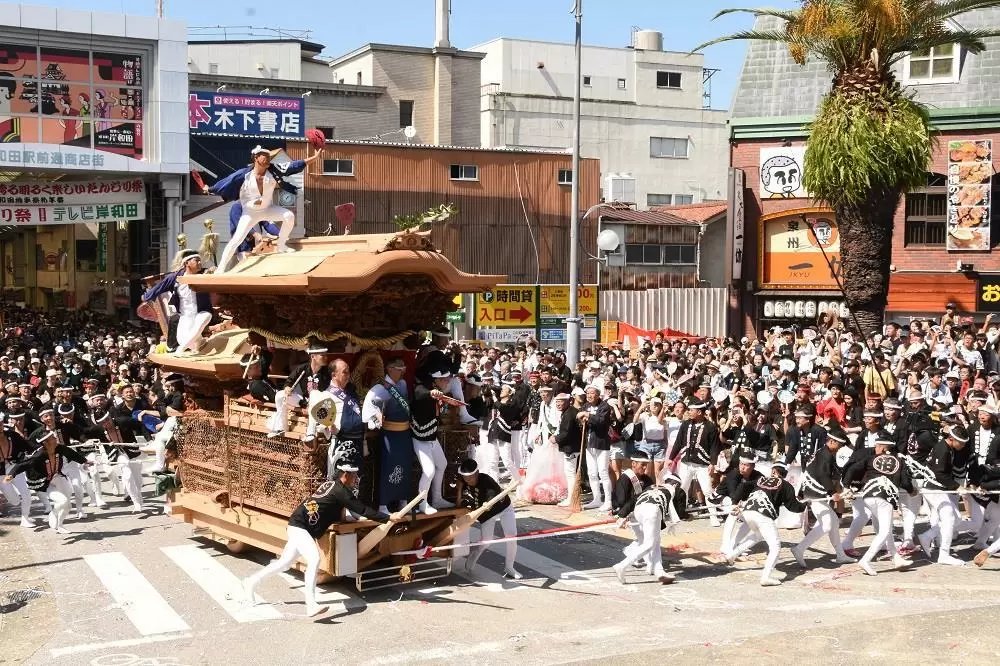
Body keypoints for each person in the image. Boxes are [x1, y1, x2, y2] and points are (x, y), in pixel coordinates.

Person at [242, 462, 396, 617]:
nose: (356, 479)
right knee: (314, 559)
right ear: (345, 475)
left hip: (298, 525)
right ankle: (311, 605)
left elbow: (335, 509)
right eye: (354, 476)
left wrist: (352, 519)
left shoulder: (331, 485)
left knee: (284, 563)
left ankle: (250, 582)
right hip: (300, 527)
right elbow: (362, 509)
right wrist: (388, 518)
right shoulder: (341, 491)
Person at [204, 144, 323, 273]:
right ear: (256, 158)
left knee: (289, 216)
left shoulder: (274, 170)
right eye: (264, 156)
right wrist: (209, 189)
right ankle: (220, 269)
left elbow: (294, 165)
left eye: (268, 156)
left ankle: (281, 245)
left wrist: (315, 157)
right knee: (236, 239)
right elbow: (225, 182)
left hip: (267, 209)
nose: (268, 158)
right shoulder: (243, 175)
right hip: (249, 213)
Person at [720, 462, 806, 586]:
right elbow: (793, 506)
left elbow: (743, 486)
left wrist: (735, 502)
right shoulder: (786, 486)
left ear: (774, 471)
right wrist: (804, 505)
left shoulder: (761, 480)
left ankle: (731, 556)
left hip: (748, 512)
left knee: (758, 535)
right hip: (763, 515)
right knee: (775, 546)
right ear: (784, 474)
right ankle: (766, 577)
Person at [841, 432, 914, 576]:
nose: (876, 448)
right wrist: (912, 491)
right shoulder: (899, 461)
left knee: (886, 529)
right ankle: (865, 560)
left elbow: (853, 469)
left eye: (878, 446)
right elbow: (905, 482)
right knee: (884, 531)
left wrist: (846, 486)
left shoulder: (871, 459)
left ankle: (896, 558)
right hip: (884, 498)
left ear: (885, 448)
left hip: (868, 496)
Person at [4, 426, 90, 534]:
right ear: (45, 443)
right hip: (45, 483)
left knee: (67, 505)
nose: (55, 438)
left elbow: (71, 454)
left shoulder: (60, 448)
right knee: (62, 501)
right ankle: (58, 524)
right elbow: (23, 465)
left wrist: (85, 461)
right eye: (52, 438)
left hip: (57, 477)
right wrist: (11, 474)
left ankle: (55, 517)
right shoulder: (39, 456)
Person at [791, 426, 856, 566]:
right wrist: (833, 493)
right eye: (839, 445)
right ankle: (799, 548)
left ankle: (840, 555)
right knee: (826, 525)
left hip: (813, 491)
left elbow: (831, 471)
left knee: (834, 522)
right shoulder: (825, 455)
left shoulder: (823, 452)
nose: (839, 448)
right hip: (814, 494)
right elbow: (822, 475)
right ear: (832, 441)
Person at [612, 470, 687, 585]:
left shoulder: (651, 487)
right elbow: (680, 513)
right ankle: (622, 566)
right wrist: (687, 515)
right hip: (652, 510)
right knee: (649, 544)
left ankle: (659, 571)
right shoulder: (677, 490)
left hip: (638, 510)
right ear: (676, 484)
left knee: (655, 540)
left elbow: (634, 499)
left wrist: (621, 515)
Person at [362, 357, 413, 513]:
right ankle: (383, 504)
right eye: (399, 369)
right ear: (389, 369)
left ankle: (403, 501)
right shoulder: (380, 388)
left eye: (404, 369)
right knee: (388, 467)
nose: (402, 372)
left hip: (405, 434)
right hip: (389, 435)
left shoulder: (403, 385)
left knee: (405, 465)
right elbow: (368, 409)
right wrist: (375, 419)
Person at [457, 458, 522, 580]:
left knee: (512, 537)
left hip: (503, 508)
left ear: (477, 473)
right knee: (486, 542)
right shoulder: (463, 481)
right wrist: (460, 490)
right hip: (486, 515)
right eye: (466, 478)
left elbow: (492, 497)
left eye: (471, 477)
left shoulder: (487, 481)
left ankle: (509, 567)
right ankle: (473, 555)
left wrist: (488, 504)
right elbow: (459, 496)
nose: (468, 480)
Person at [141, 250, 213, 354]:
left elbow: (214, 272)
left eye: (200, 260)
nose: (199, 263)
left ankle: (180, 349)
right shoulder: (175, 277)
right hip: (185, 314)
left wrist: (213, 271)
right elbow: (159, 287)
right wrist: (146, 297)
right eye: (196, 260)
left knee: (199, 324)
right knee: (182, 339)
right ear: (187, 263)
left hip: (202, 311)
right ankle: (200, 342)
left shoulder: (204, 274)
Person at [917, 425, 969, 567]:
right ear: (951, 439)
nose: (963, 445)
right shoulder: (943, 449)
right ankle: (944, 555)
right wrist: (958, 487)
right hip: (932, 488)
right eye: (961, 442)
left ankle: (927, 536)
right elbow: (939, 474)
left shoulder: (948, 448)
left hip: (938, 489)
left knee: (956, 518)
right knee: (950, 518)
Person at [411, 368, 458, 514]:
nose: (447, 382)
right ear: (436, 380)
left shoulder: (439, 392)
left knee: (442, 463)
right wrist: (431, 393)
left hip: (431, 437)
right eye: (445, 380)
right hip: (420, 438)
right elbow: (419, 393)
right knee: (429, 470)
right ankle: (422, 503)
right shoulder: (423, 389)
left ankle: (437, 498)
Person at [668, 398, 721, 526]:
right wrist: (671, 458)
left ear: (699, 412)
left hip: (702, 465)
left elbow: (714, 447)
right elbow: (678, 442)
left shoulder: (711, 427)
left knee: (707, 490)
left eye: (692, 410)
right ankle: (680, 513)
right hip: (686, 463)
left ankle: (713, 516)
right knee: (682, 488)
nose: (689, 412)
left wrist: (713, 463)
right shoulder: (685, 424)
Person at [268, 340, 330, 439]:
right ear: (313, 356)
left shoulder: (328, 373)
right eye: (322, 355)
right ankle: (280, 427)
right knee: (280, 395)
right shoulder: (302, 369)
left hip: (321, 404)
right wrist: (287, 388)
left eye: (326, 355)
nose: (326, 358)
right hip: (304, 401)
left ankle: (311, 433)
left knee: (315, 394)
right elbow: (289, 381)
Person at [321, 359, 366, 487]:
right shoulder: (326, 395)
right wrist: (329, 427)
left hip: (357, 443)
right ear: (334, 375)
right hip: (341, 443)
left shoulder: (352, 393)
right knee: (339, 484)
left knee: (355, 484)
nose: (348, 375)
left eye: (348, 372)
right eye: (344, 372)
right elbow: (321, 422)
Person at [0, 400, 36, 527]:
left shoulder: (12, 435)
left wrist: (41, 449)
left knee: (26, 494)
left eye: (0, 423)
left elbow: (29, 446)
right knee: (14, 501)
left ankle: (25, 518)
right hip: (1, 473)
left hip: (15, 467)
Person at [578, 385, 613, 511]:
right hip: (589, 443)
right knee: (592, 473)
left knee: (603, 472)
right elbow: (581, 421)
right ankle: (596, 499)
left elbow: (601, 421)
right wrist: (581, 419)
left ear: (598, 395)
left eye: (592, 393)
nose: (589, 395)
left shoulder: (604, 406)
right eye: (587, 393)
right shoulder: (585, 406)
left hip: (601, 443)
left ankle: (608, 501)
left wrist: (587, 415)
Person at [554, 392, 581, 507]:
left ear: (567, 402)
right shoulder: (568, 412)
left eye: (561, 401)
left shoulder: (569, 414)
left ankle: (571, 498)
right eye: (557, 402)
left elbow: (566, 433)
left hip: (571, 448)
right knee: (570, 473)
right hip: (571, 447)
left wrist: (555, 438)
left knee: (570, 473)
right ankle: (571, 497)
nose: (558, 404)